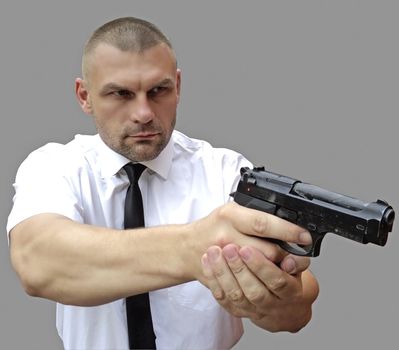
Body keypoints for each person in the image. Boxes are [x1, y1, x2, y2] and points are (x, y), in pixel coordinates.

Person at [7, 17, 319, 350]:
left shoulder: (226, 172)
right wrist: (192, 248)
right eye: (121, 94)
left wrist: (277, 302)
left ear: (178, 86)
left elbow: (298, 305)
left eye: (158, 91)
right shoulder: (55, 165)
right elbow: (36, 261)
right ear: (84, 96)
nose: (143, 112)